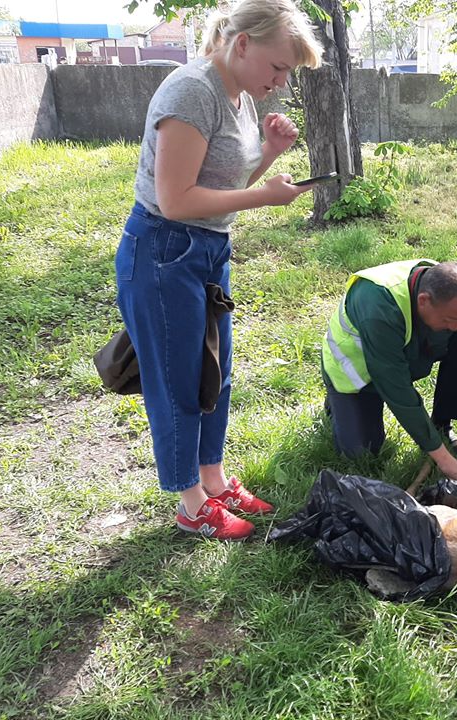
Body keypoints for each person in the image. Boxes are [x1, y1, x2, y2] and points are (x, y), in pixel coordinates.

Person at [114, 0, 324, 540]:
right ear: (243, 44)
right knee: (179, 381)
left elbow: (223, 180)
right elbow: (176, 199)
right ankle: (191, 505)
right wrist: (264, 196)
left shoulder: (239, 95)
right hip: (164, 249)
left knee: (216, 373)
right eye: (278, 67)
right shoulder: (192, 91)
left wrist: (269, 152)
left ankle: (214, 480)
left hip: (207, 250)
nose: (281, 82)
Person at [322, 259, 457, 486]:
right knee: (360, 452)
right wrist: (441, 457)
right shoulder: (378, 308)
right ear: (423, 300)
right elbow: (396, 389)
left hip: (403, 353)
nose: (456, 326)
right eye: (449, 319)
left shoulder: (448, 294)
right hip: (357, 373)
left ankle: (441, 423)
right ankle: (336, 401)